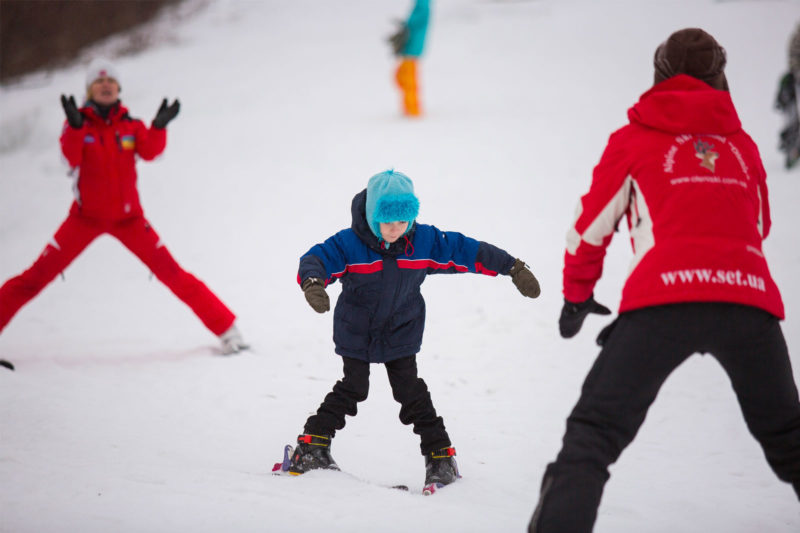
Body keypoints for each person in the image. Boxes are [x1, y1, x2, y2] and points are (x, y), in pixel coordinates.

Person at [529, 28, 800, 532]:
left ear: (659, 76)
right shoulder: (741, 146)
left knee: (594, 435)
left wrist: (577, 296)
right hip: (748, 303)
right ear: (721, 78)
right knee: (789, 437)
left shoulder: (633, 140)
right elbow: (759, 225)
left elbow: (589, 230)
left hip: (662, 301)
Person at [289, 169, 540, 492]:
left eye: (403, 221)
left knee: (410, 392)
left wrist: (512, 267)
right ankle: (312, 446)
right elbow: (316, 259)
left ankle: (440, 457)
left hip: (400, 331)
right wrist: (313, 283)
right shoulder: (350, 243)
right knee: (354, 387)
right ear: (371, 215)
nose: (396, 229)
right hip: (358, 332)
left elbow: (466, 250)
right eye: (388, 221)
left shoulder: (422, 241)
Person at [0, 58, 247, 359]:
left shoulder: (130, 125)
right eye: (99, 82)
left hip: (129, 220)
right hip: (84, 219)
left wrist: (158, 127)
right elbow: (70, 158)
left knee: (173, 273)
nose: (106, 85)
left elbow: (150, 151)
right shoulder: (77, 124)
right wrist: (76, 128)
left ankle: (229, 332)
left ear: (118, 90)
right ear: (90, 90)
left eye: (111, 82)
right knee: (36, 276)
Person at [388, 0, 431, 117]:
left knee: (408, 79)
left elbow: (418, 20)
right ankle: (410, 107)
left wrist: (406, 26)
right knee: (401, 76)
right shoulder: (421, 5)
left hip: (412, 48)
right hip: (410, 47)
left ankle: (413, 109)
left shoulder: (423, 5)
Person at [776, 22, 800, 169]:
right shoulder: (796, 38)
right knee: (792, 118)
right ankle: (792, 147)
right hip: (795, 84)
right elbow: (793, 60)